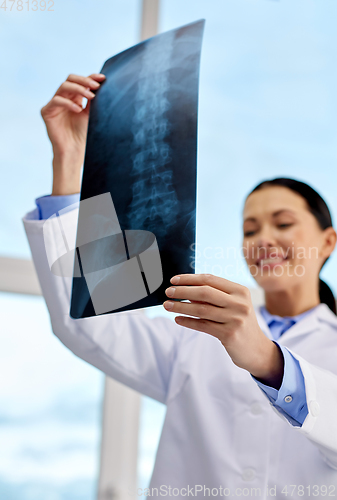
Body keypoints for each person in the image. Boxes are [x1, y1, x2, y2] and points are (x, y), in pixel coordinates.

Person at [23, 73, 337, 498]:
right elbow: (87, 324)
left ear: (328, 240)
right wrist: (69, 159)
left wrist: (267, 359)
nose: (263, 239)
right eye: (249, 229)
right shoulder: (197, 336)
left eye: (283, 223)